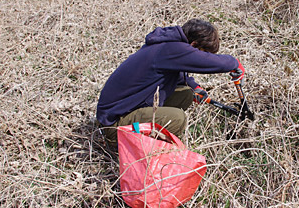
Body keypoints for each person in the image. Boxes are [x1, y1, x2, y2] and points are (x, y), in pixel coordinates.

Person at [96, 19, 244, 146]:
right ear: (193, 44)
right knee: (177, 119)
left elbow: (176, 73)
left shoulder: (166, 46)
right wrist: (234, 63)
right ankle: (145, 148)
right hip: (114, 126)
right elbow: (210, 63)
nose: (201, 56)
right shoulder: (172, 49)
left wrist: (195, 87)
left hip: (123, 110)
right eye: (202, 52)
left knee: (186, 94)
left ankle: (150, 129)